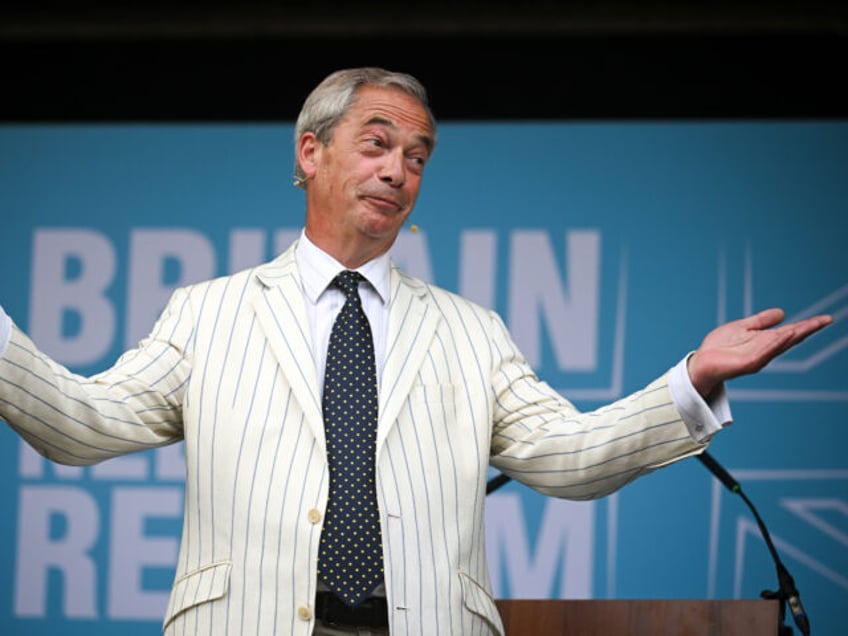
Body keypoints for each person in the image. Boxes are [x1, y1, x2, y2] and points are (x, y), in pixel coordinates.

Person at [0, 67, 832, 636]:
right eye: (376, 143)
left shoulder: (474, 331)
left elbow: (569, 459)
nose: (398, 170)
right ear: (310, 151)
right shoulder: (207, 314)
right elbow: (82, 424)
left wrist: (691, 379)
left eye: (418, 156)